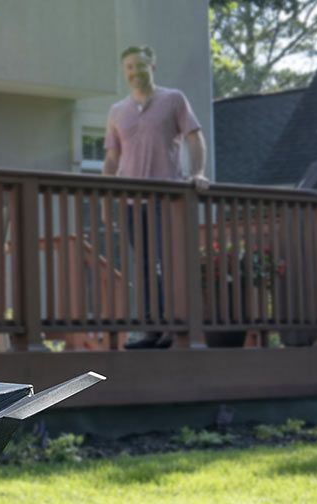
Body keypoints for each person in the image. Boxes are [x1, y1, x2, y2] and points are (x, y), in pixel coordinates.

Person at [103, 45, 208, 348]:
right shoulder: (117, 111)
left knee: (167, 263)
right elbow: (111, 159)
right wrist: (102, 195)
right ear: (125, 72)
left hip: (167, 200)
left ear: (153, 66)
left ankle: (172, 330)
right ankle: (152, 330)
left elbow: (194, 137)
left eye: (140, 65)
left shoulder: (173, 99)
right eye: (130, 68)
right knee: (144, 266)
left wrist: (198, 172)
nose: (135, 72)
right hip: (132, 203)